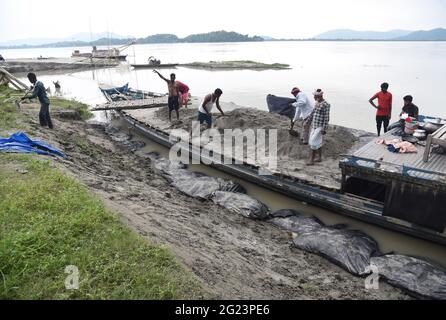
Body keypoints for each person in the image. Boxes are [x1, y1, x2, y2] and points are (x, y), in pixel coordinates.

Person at [307, 89, 330, 165]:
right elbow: (313, 113)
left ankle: (311, 160)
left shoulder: (326, 104)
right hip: (314, 125)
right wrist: (307, 122)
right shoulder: (316, 102)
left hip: (320, 126)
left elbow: (326, 118)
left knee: (313, 142)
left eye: (315, 96)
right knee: (318, 142)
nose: (314, 97)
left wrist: (324, 128)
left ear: (319, 96)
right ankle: (319, 158)